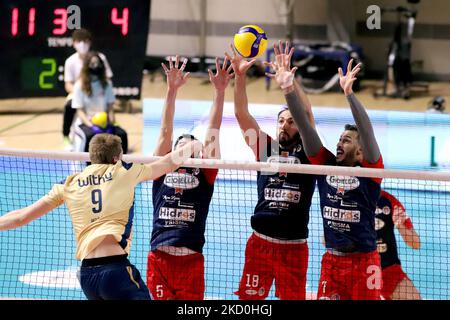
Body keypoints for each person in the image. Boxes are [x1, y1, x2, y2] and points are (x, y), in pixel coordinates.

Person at [0, 133, 203, 300]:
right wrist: (193, 145)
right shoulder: (124, 171)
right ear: (117, 157)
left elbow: (20, 217)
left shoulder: (68, 183)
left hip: (88, 277)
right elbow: (167, 163)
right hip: (115, 272)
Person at [269, 53, 384, 299]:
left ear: (361, 151)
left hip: (364, 262)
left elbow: (366, 129)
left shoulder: (372, 171)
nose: (340, 143)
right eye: (340, 139)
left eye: (347, 141)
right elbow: (304, 126)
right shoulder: (324, 164)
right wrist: (288, 88)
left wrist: (349, 95)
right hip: (332, 261)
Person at [227, 41, 316, 300]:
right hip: (260, 243)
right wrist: (240, 77)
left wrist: (289, 79)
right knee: (249, 302)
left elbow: (307, 113)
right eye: (281, 121)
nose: (284, 125)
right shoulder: (266, 148)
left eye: (290, 121)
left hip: (294, 247)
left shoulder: (310, 152)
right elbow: (242, 114)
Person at [147, 55, 233, 300]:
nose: (187, 146)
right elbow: (165, 130)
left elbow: (213, 132)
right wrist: (171, 89)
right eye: (181, 144)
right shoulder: (161, 168)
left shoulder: (205, 172)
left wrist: (220, 91)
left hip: (191, 260)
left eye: (192, 144)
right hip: (160, 257)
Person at [63, 28, 113, 149]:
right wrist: (80, 93)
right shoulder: (70, 61)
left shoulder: (100, 58)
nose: (82, 44)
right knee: (70, 105)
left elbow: (107, 78)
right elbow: (68, 84)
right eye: (79, 41)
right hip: (79, 92)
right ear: (74, 43)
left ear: (90, 42)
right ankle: (66, 135)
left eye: (85, 41)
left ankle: (110, 126)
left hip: (98, 91)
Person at [72, 51, 128, 154]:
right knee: (90, 137)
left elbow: (110, 108)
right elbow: (80, 111)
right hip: (85, 123)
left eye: (98, 63)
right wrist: (91, 126)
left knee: (122, 134)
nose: (96, 66)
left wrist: (111, 123)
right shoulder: (79, 86)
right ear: (86, 66)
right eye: (92, 64)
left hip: (105, 122)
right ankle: (89, 168)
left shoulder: (107, 84)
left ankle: (121, 165)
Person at [376, 190, 421, 300]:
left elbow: (416, 243)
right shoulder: (348, 199)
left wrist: (400, 226)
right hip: (357, 269)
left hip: (388, 270)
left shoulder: (389, 201)